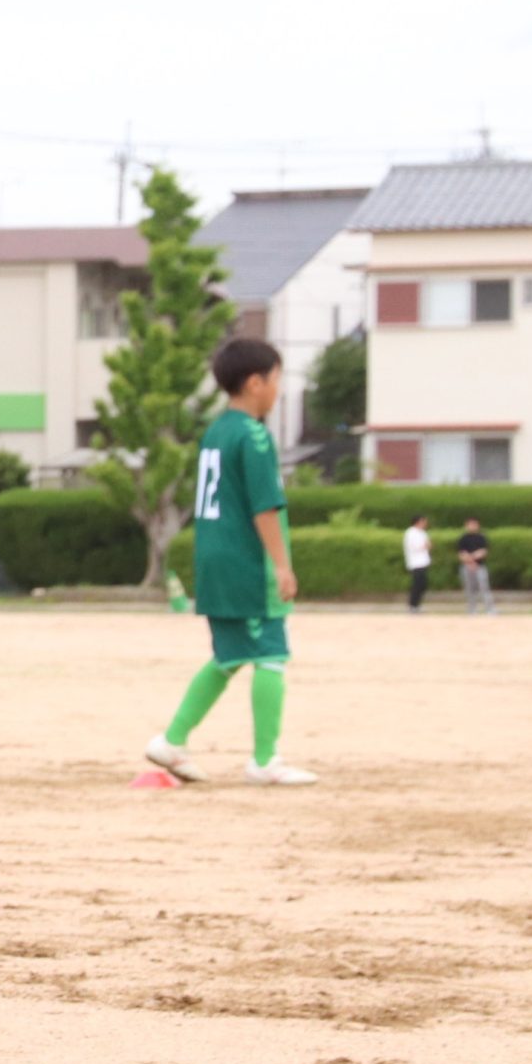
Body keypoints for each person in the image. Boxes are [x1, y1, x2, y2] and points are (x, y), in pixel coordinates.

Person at [144, 337, 316, 787]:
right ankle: (265, 760)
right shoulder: (253, 435)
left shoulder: (216, 431)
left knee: (230, 655)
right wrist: (282, 566)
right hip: (247, 562)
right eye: (276, 380)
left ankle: (172, 740)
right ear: (255, 382)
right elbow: (265, 508)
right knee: (271, 652)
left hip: (214, 556)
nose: (278, 390)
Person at [456, 517, 495, 615]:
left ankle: (489, 609)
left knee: (484, 587)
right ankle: (472, 609)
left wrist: (472, 558)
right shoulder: (463, 539)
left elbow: (484, 551)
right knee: (469, 589)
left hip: (480, 567)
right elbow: (461, 553)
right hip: (466, 567)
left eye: (474, 524)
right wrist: (470, 561)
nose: (472, 526)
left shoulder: (482, 538)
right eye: (470, 524)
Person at [403, 513, 431, 612]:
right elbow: (413, 546)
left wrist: (426, 546)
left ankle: (417, 604)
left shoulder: (423, 533)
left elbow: (428, 544)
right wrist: (424, 546)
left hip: (423, 562)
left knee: (423, 585)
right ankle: (412, 605)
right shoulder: (410, 532)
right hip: (415, 563)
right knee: (417, 585)